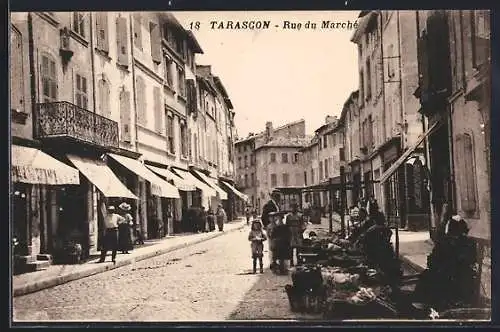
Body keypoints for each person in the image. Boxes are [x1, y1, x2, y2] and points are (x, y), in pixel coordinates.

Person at [413, 215, 479, 311]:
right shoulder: (467, 242)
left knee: (431, 277)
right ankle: (428, 303)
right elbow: (471, 260)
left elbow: (433, 261)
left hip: (452, 275)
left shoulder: (447, 242)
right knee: (430, 276)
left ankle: (428, 304)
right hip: (457, 274)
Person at [285, 201, 306, 267]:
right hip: (291, 233)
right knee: (290, 249)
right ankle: (291, 262)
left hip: (298, 232)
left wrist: (301, 230)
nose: (293, 209)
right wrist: (288, 232)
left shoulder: (300, 216)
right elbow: (287, 225)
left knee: (299, 248)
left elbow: (303, 225)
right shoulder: (288, 216)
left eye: (295, 207)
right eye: (292, 207)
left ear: (297, 208)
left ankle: (299, 261)